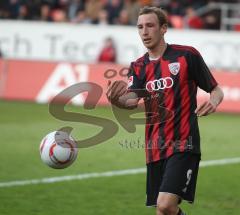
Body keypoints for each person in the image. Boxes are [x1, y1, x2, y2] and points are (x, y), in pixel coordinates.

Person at [107, 6, 224, 215]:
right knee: (162, 212)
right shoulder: (138, 66)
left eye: (150, 26)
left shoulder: (186, 56)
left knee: (166, 204)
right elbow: (131, 101)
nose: (144, 32)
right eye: (140, 27)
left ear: (164, 28)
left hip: (183, 144)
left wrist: (214, 102)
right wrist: (116, 101)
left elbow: (215, 89)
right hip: (155, 147)